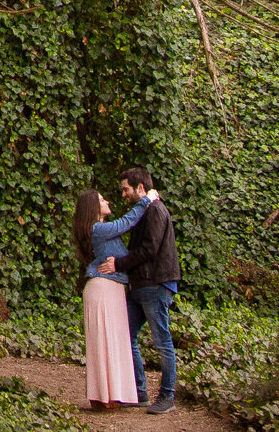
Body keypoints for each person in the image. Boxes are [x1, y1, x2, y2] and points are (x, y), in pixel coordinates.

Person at [73, 186, 152, 410]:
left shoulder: (100, 230)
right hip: (103, 289)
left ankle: (112, 395)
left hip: (112, 289)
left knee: (113, 342)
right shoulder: (98, 228)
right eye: (102, 199)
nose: (107, 201)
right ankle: (104, 397)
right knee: (105, 342)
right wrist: (146, 201)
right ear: (93, 208)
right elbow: (125, 223)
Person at [114, 167, 181, 414]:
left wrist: (118, 264)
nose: (123, 194)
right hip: (140, 285)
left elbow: (149, 249)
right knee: (127, 336)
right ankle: (139, 392)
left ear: (140, 188)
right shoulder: (144, 210)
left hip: (155, 284)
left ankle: (167, 397)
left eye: (126, 189)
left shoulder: (155, 210)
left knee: (162, 342)